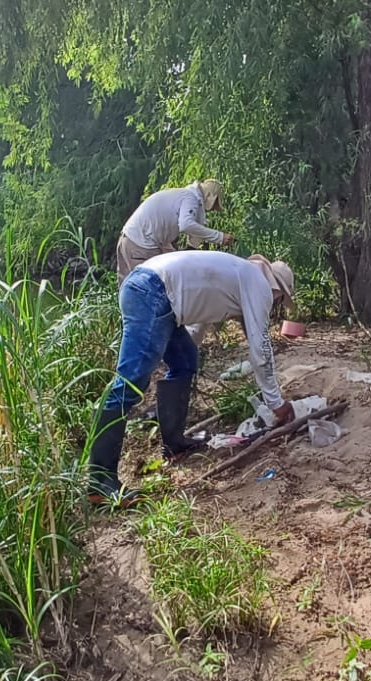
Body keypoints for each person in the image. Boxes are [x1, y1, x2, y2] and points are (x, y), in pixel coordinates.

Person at [87, 250, 297, 507]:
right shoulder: (259, 285)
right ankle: (100, 482)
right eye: (279, 299)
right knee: (130, 384)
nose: (275, 303)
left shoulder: (238, 276)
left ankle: (174, 444)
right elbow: (261, 347)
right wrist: (276, 402)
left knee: (185, 361)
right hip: (152, 292)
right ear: (277, 289)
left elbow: (196, 321)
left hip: (156, 292)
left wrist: (184, 354)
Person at [115, 179, 233, 278]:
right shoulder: (190, 198)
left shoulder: (182, 196)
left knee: (128, 291)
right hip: (140, 244)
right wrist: (220, 237)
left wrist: (190, 252)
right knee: (148, 290)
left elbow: (195, 231)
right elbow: (186, 224)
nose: (212, 209)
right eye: (215, 204)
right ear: (210, 196)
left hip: (128, 239)